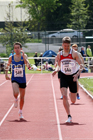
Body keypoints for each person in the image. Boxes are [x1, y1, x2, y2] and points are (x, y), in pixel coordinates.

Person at [53, 36, 83, 123]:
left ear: (70, 45)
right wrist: (56, 70)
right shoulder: (60, 54)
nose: (66, 47)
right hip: (64, 76)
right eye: (65, 46)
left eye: (68, 46)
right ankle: (69, 115)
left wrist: (77, 74)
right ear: (62, 45)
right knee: (64, 96)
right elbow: (58, 64)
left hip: (73, 76)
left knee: (73, 99)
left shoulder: (74, 53)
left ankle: (73, 93)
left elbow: (81, 65)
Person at [5, 42, 31, 119]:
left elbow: (28, 65)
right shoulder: (11, 57)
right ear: (14, 49)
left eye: (18, 48)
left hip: (22, 79)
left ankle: (20, 111)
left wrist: (24, 57)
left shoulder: (24, 56)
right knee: (16, 92)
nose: (16, 49)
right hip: (14, 78)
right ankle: (16, 98)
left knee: (22, 97)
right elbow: (7, 65)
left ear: (21, 49)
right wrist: (6, 74)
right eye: (15, 48)